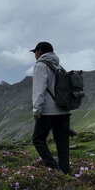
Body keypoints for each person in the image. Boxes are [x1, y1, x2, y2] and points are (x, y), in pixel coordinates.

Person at [30, 41, 72, 174]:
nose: (34, 55)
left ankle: (54, 169)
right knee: (62, 143)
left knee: (38, 139)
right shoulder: (58, 66)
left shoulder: (41, 65)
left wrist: (37, 110)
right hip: (64, 111)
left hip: (48, 111)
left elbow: (39, 89)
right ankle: (65, 172)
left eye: (35, 52)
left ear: (40, 51)